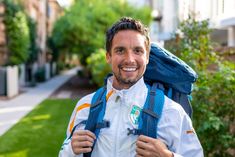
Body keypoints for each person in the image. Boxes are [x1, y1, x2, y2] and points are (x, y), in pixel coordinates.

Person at [59, 17, 204, 157]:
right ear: (108, 56)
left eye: (137, 51)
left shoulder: (172, 112)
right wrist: (70, 150)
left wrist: (167, 155)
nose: (129, 59)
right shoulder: (85, 107)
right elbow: (64, 152)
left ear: (147, 57)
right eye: (120, 50)